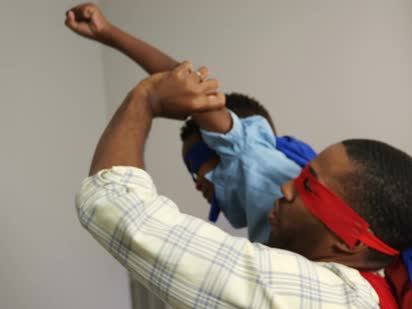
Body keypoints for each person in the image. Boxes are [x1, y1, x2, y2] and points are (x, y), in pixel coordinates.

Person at [68, 4, 412, 309]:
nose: (290, 183)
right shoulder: (365, 268)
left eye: (309, 183)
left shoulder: (259, 165)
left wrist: (135, 74)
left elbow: (189, 89)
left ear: (351, 241)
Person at [66, 3, 315, 243]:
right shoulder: (266, 212)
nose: (196, 184)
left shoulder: (252, 156)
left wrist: (109, 34)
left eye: (196, 168)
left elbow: (189, 88)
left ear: (224, 145)